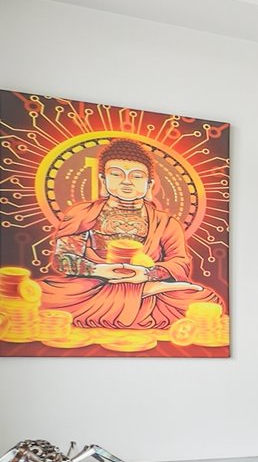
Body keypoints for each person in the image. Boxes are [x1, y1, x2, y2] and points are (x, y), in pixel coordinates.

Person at [36, 138, 210, 331]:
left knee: (204, 298)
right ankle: (143, 294)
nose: (126, 182)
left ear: (149, 184)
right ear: (103, 179)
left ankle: (143, 291)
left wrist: (146, 274)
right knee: (42, 294)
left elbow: (179, 262)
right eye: (117, 174)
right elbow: (63, 259)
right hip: (94, 284)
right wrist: (99, 270)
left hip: (145, 279)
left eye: (136, 176)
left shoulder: (166, 222)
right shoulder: (83, 214)